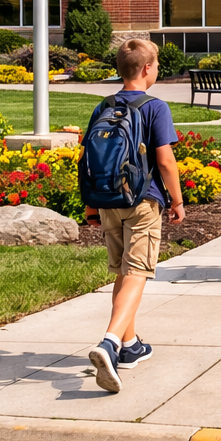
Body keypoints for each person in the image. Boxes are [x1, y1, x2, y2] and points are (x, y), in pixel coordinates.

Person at [86, 38, 184, 395]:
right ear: (146, 69)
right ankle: (110, 343)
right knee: (137, 271)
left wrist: (90, 205)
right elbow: (165, 160)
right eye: (156, 66)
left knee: (122, 272)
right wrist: (177, 200)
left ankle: (130, 346)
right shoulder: (154, 107)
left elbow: (88, 158)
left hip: (107, 199)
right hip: (142, 200)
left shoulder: (104, 106)